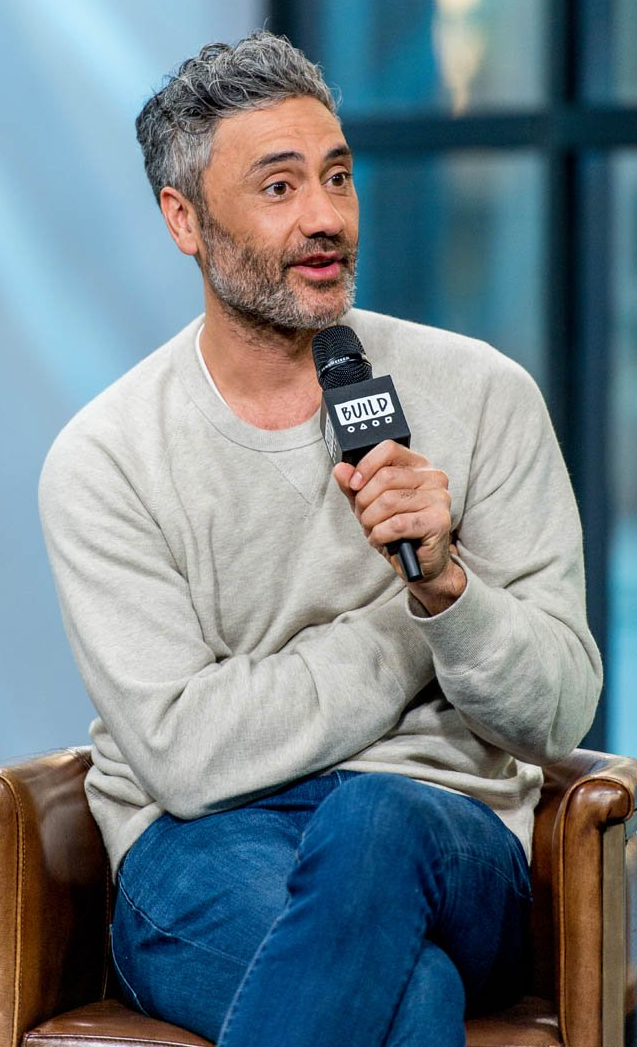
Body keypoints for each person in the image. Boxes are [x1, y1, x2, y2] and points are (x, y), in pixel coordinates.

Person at [39, 30, 602, 1047]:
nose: (326, 217)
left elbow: (558, 711)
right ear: (183, 219)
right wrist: (408, 629)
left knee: (375, 817)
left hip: (442, 835)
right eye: (279, 186)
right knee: (410, 999)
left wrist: (446, 588)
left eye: (337, 177)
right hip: (205, 847)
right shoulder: (107, 457)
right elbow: (188, 757)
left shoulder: (482, 394)